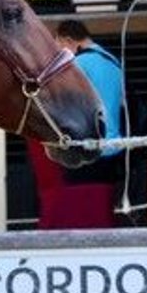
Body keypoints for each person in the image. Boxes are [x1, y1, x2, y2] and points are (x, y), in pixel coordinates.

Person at [53, 19, 125, 184]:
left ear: (68, 40)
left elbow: (63, 104)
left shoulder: (76, 64)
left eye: (60, 48)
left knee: (82, 198)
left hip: (87, 150)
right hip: (115, 147)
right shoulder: (113, 61)